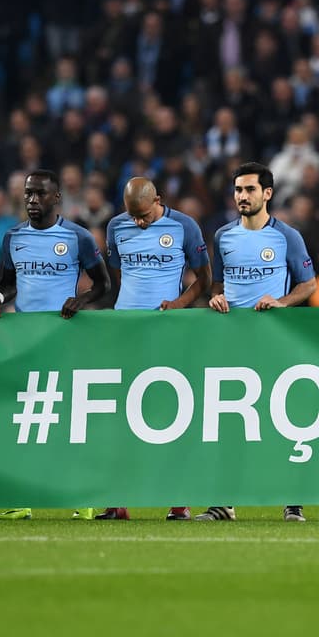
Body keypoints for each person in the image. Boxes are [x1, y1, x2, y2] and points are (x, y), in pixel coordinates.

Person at [0, 169, 111, 521]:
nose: (32, 201)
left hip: (63, 339)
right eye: (27, 194)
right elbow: (9, 284)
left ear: (57, 198)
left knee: (66, 418)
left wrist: (80, 300)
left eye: (39, 194)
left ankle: (78, 496)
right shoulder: (13, 237)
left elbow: (103, 284)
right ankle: (19, 498)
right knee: (21, 418)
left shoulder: (78, 237)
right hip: (23, 340)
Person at [200, 162, 316, 522]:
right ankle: (224, 502)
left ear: (267, 193)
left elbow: (308, 284)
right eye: (238, 190)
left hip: (274, 339)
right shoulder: (223, 237)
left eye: (249, 189)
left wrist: (281, 302)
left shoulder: (287, 237)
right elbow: (218, 285)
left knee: (282, 421)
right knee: (231, 421)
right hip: (233, 341)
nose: (242, 196)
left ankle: (292, 500)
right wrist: (214, 298)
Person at [90, 177, 209, 521]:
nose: (138, 223)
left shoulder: (185, 226)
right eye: (133, 216)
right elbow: (116, 278)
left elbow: (204, 277)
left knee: (168, 415)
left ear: (159, 199)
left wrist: (178, 303)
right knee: (119, 417)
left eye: (144, 215)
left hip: (166, 332)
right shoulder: (115, 227)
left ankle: (178, 502)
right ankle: (117, 502)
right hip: (125, 333)